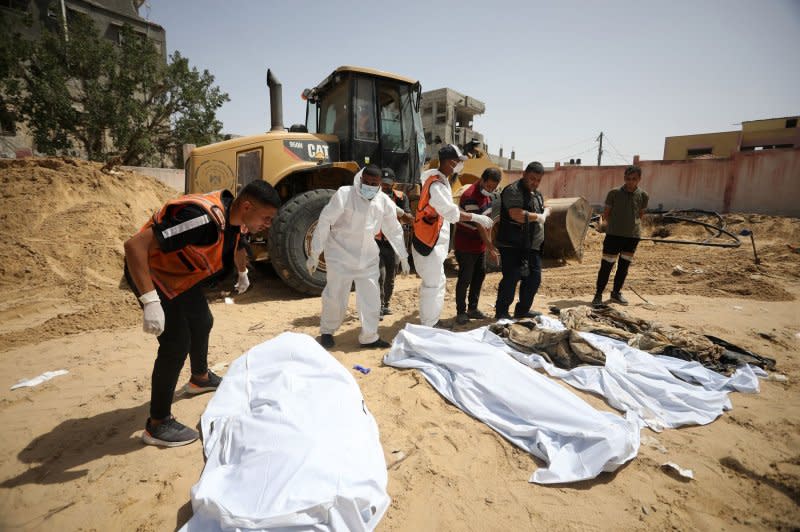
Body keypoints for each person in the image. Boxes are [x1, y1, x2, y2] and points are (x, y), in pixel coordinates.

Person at [124, 180, 282, 447]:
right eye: (266, 218)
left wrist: (242, 272)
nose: (267, 225)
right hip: (152, 275)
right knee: (176, 342)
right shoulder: (201, 220)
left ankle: (199, 378)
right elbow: (134, 246)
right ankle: (157, 424)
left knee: (202, 320)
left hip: (180, 276)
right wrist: (150, 301)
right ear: (247, 206)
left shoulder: (235, 218)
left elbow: (238, 245)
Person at [307, 165, 410, 349]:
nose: (370, 186)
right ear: (361, 179)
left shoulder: (383, 201)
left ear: (379, 184)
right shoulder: (344, 194)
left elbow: (393, 229)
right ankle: (327, 332)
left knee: (372, 298)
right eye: (367, 182)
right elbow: (325, 221)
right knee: (335, 295)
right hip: (340, 254)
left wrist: (403, 256)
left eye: (374, 184)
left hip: (367, 257)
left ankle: (369, 337)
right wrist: (315, 253)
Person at [412, 144, 494, 327]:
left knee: (436, 283)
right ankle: (429, 324)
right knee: (433, 285)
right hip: (429, 242)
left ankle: (431, 320)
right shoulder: (437, 186)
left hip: (431, 241)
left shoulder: (439, 179)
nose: (460, 165)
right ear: (449, 163)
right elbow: (450, 213)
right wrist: (475, 217)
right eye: (457, 162)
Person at [494, 161, 551, 320]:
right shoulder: (513, 190)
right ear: (524, 174)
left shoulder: (537, 194)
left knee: (533, 279)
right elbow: (516, 214)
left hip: (532, 246)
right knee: (511, 278)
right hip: (513, 244)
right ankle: (502, 312)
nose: (535, 182)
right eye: (532, 178)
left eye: (538, 180)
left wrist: (545, 210)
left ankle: (522, 310)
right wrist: (539, 217)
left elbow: (540, 207)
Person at [592, 165, 649, 306]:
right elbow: (606, 214)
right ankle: (598, 295)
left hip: (632, 237)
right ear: (624, 178)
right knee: (606, 266)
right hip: (614, 236)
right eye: (628, 178)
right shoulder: (614, 193)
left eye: (634, 179)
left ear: (639, 179)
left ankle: (616, 293)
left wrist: (630, 226)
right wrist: (617, 226)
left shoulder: (643, 196)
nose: (630, 182)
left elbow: (640, 215)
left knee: (623, 267)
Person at [454, 167, 501, 325]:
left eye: (494, 188)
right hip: (466, 245)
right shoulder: (470, 196)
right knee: (465, 279)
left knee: (479, 276)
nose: (491, 190)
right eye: (489, 186)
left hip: (479, 245)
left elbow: (487, 224)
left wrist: (487, 245)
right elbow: (479, 225)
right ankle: (461, 311)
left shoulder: (486, 196)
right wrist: (490, 248)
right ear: (482, 180)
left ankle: (472, 308)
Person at [375, 167, 413, 317]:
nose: (385, 186)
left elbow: (409, 216)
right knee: (379, 275)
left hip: (393, 243)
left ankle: (386, 304)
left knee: (391, 276)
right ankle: (378, 306)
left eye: (387, 183)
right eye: (382, 183)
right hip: (376, 241)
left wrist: (397, 211)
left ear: (394, 184)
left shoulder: (401, 197)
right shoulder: (374, 196)